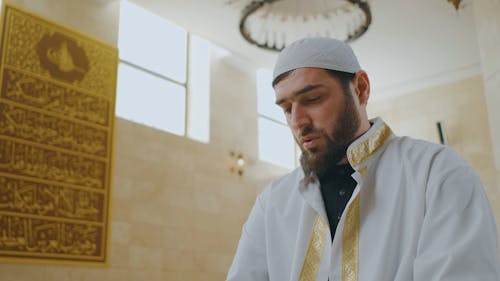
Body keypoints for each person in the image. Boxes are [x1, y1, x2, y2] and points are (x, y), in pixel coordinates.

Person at [226, 37, 500, 281]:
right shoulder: (273, 201)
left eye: (312, 99)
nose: (297, 122)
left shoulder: (435, 172)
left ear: (361, 88)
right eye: (286, 108)